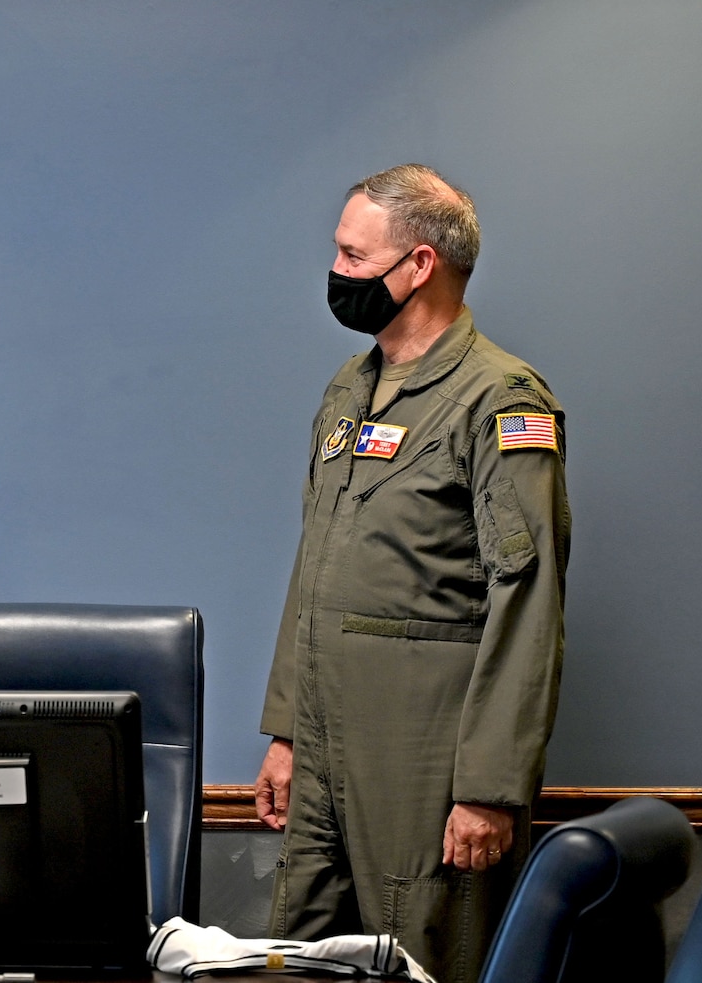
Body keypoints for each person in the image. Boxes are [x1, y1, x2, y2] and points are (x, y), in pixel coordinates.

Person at [253, 165, 569, 983]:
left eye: (354, 257)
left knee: (422, 957)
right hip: (324, 746)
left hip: (425, 759)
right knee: (296, 958)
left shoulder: (498, 398)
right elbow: (316, 557)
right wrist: (288, 730)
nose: (337, 273)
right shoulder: (350, 389)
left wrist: (491, 788)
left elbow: (528, 599)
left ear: (418, 266)